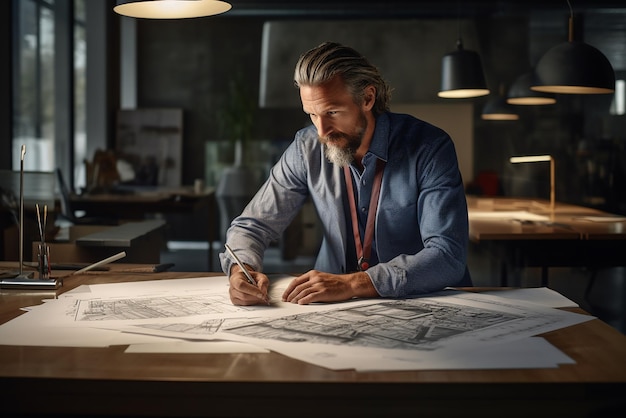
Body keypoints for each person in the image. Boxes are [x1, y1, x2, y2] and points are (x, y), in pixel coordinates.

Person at [220, 41, 471, 306]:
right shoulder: (306, 148)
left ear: (367, 98)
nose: (322, 131)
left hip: (423, 303)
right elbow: (252, 225)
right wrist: (240, 270)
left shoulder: (430, 147)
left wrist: (354, 283)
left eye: (333, 112)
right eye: (312, 115)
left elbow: (447, 255)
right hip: (330, 307)